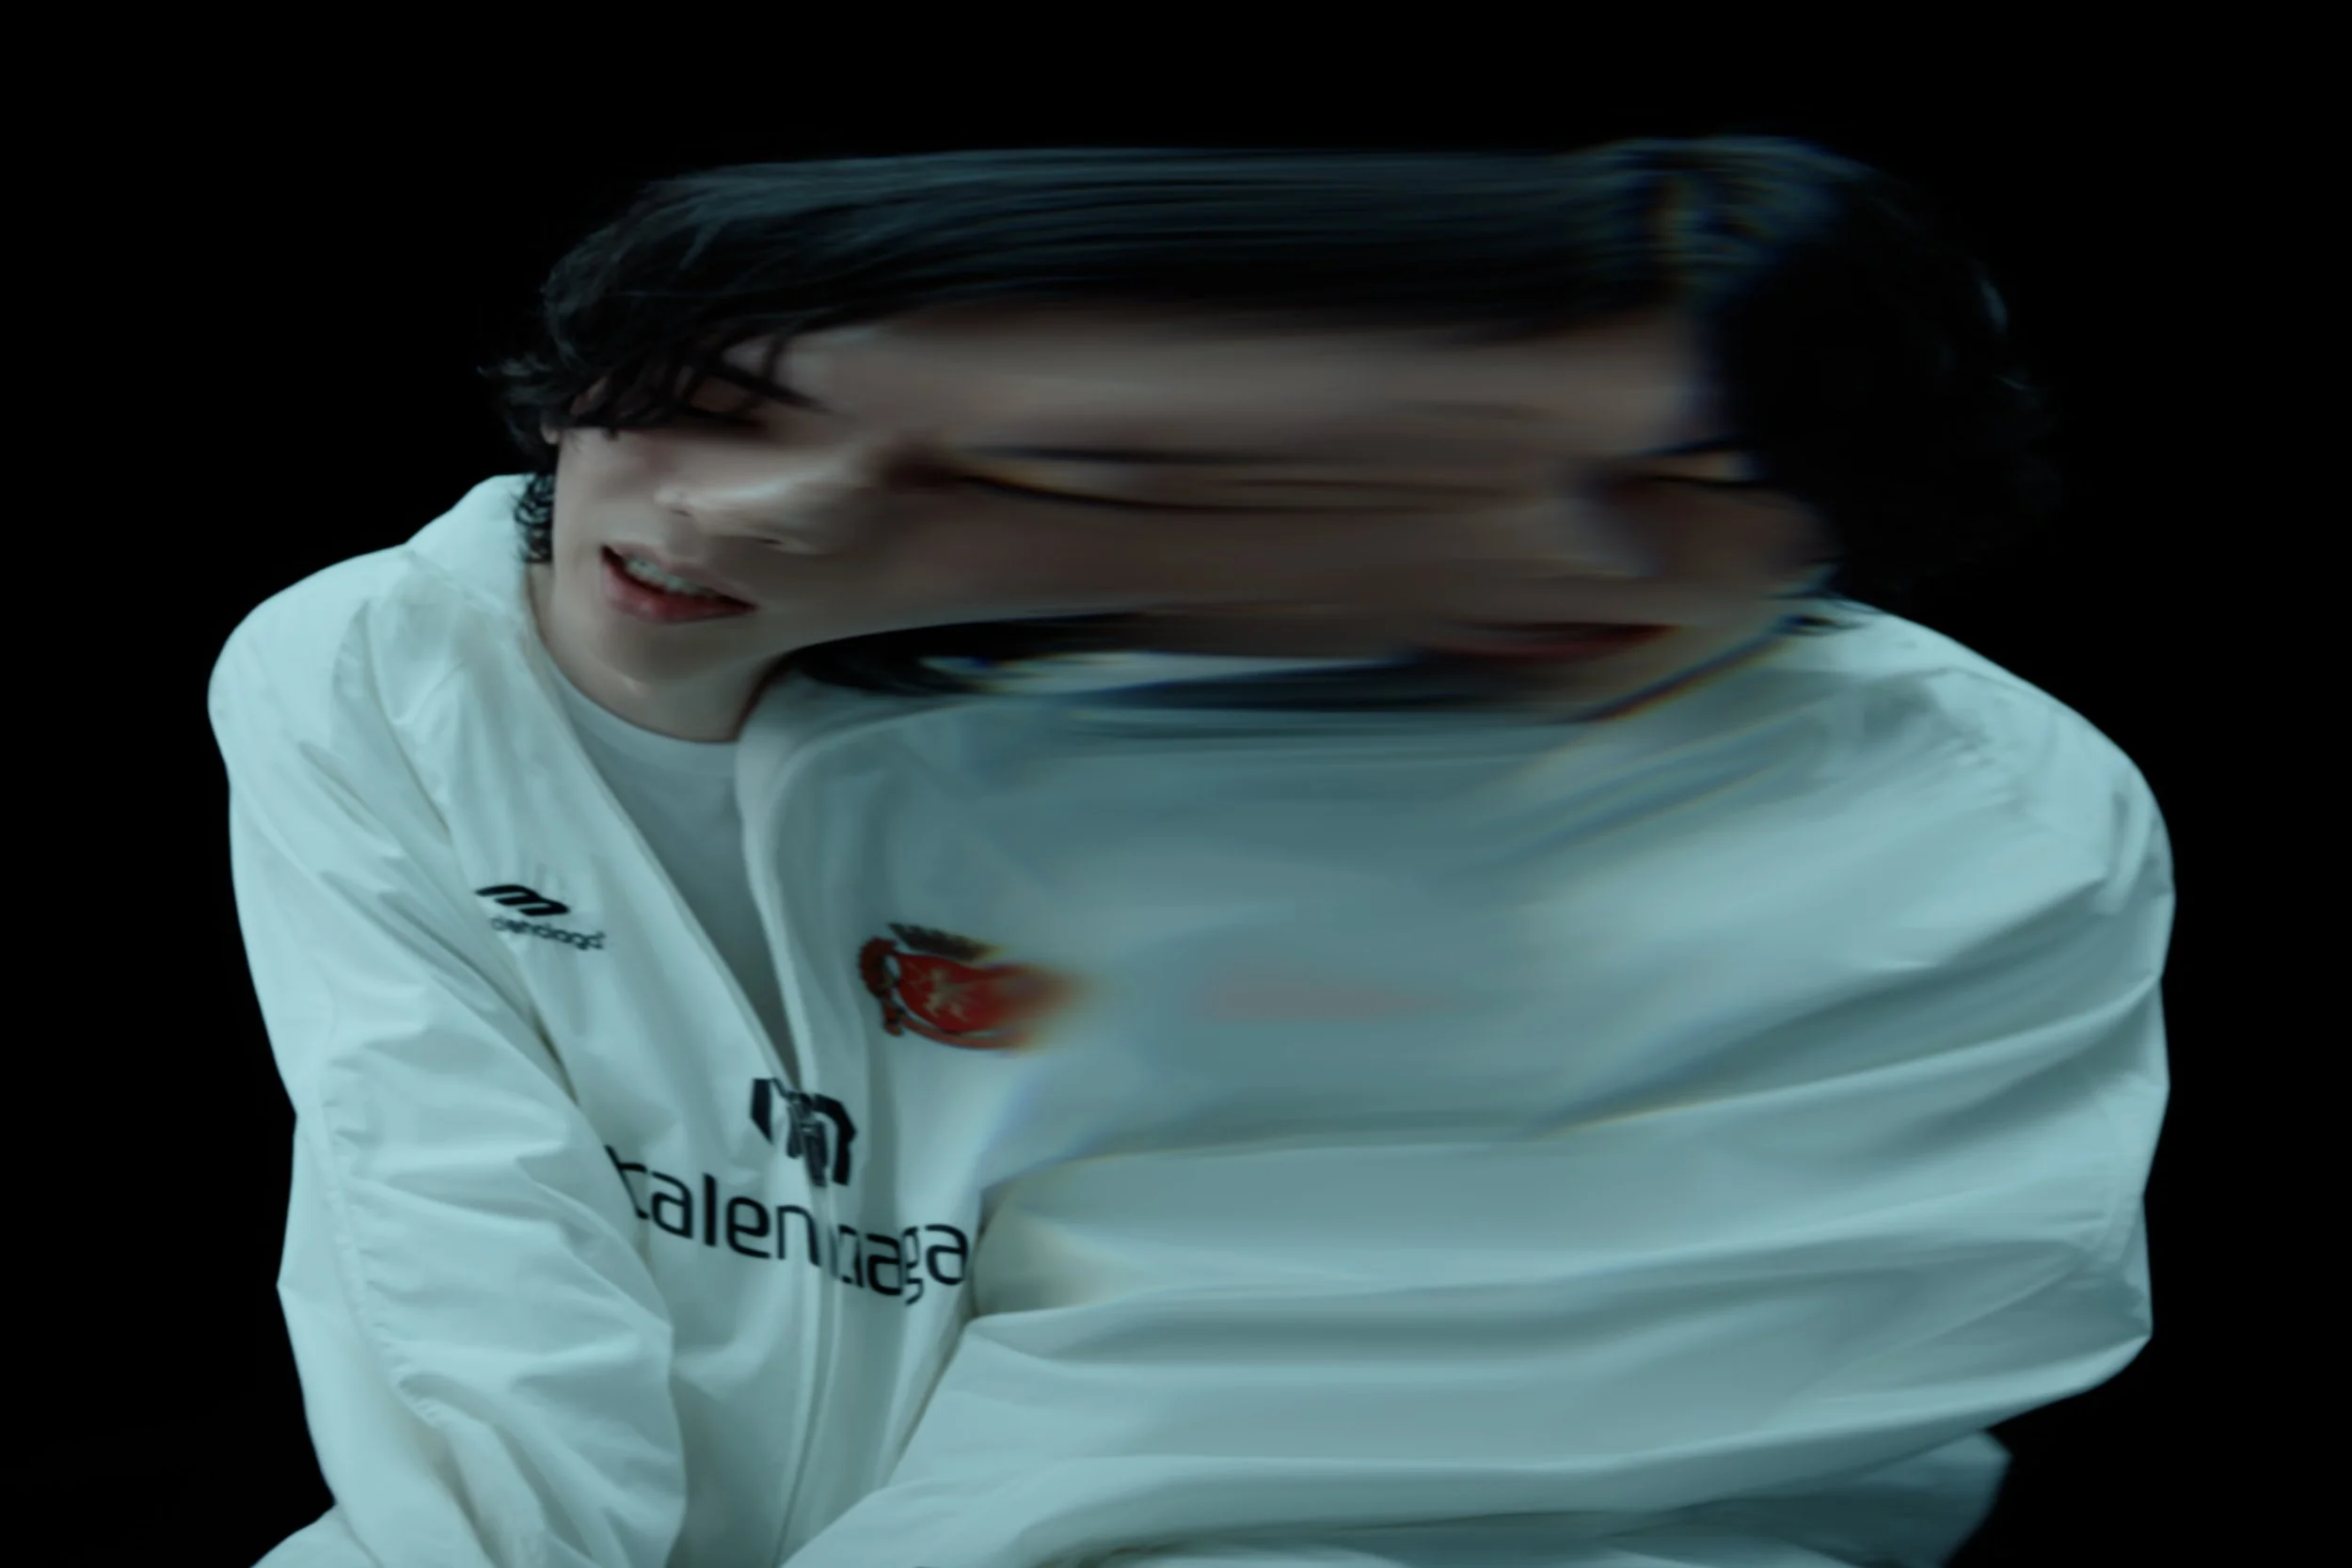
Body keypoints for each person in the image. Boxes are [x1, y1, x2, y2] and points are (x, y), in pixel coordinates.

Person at [215, 137, 2169, 1568]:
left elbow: (1260, 1393)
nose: (1561, 546)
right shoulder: (396, 669)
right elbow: (453, 1218)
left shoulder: (1980, 824)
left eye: (1693, 487)